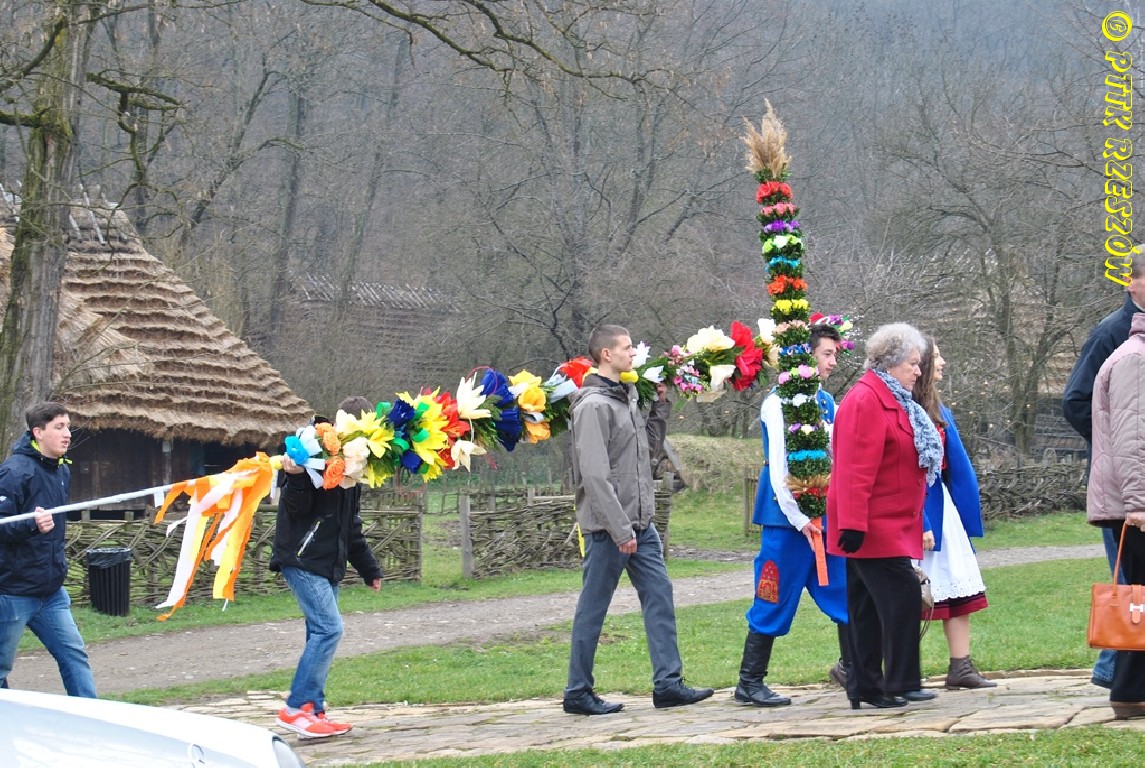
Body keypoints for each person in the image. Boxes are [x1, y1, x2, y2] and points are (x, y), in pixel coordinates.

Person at [563, 324, 714, 715]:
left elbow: (643, 454)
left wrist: (660, 409)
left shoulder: (625, 397)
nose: (634, 353)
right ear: (606, 354)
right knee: (593, 608)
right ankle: (577, 692)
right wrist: (619, 530)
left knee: (660, 596)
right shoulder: (593, 406)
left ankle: (668, 684)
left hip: (641, 525)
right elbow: (595, 476)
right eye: (627, 348)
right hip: (608, 529)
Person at [827, 323, 943, 709]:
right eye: (913, 363)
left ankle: (867, 686)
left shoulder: (892, 398)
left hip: (885, 522)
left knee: (866, 606)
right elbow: (855, 468)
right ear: (891, 363)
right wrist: (853, 523)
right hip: (873, 525)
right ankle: (896, 681)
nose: (918, 371)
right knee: (901, 596)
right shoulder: (867, 400)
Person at [736, 323, 848, 708]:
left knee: (843, 590)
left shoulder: (827, 403)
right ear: (806, 357)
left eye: (835, 354)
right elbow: (781, 466)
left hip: (825, 515)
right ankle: (750, 682)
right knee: (773, 594)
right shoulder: (777, 403)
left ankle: (854, 670)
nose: (833, 361)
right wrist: (800, 519)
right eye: (827, 354)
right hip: (787, 522)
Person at [272, 396, 383, 739]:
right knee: (329, 630)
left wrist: (369, 569)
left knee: (318, 632)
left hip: (326, 563)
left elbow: (351, 528)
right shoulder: (313, 453)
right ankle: (296, 708)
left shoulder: (353, 468)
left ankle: (314, 712)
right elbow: (295, 506)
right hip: (302, 558)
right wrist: (296, 476)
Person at [1062, 260, 1145, 689]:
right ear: (1132, 283)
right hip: (1126, 486)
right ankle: (1117, 676)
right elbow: (1076, 400)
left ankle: (1118, 675)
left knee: (1136, 584)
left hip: (1134, 476)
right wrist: (1113, 450)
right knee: (1131, 586)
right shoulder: (1112, 333)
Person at [912, 337, 995, 690]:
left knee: (958, 583)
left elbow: (954, 466)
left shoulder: (938, 408)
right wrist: (921, 520)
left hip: (943, 509)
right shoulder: (907, 408)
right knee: (907, 591)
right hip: (917, 508)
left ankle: (960, 666)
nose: (943, 362)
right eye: (936, 356)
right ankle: (872, 666)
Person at [0, 401, 97, 698]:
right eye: (59, 427)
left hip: (51, 592)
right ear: (38, 432)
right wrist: (31, 524)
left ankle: (89, 716)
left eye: (68, 427)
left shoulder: (61, 471)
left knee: (74, 655)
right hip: (13, 592)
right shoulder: (13, 472)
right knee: (1, 667)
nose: (67, 434)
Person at [1085, 311, 1145, 719]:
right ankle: (1129, 691)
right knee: (1139, 599)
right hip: (1136, 506)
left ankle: (1130, 690)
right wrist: (1138, 503)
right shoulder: (1136, 359)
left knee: (1140, 599)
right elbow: (1133, 437)